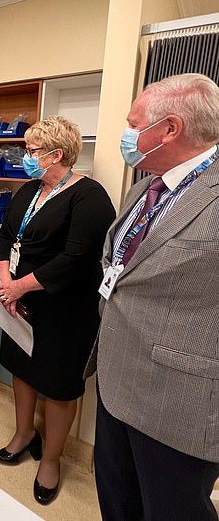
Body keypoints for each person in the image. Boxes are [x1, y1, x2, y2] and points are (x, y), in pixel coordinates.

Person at [87, 73, 219, 521]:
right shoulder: (145, 187)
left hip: (178, 400)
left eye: (133, 122)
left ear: (169, 128)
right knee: (117, 503)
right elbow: (122, 268)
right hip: (116, 380)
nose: (126, 134)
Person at [0, 115, 115, 505]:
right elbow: (6, 236)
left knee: (60, 384)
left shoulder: (89, 197)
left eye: (31, 151)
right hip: (19, 302)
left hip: (64, 310)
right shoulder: (29, 190)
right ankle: (24, 433)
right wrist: (4, 280)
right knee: (21, 367)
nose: (25, 158)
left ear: (56, 155)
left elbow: (76, 259)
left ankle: (51, 459)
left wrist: (19, 286)